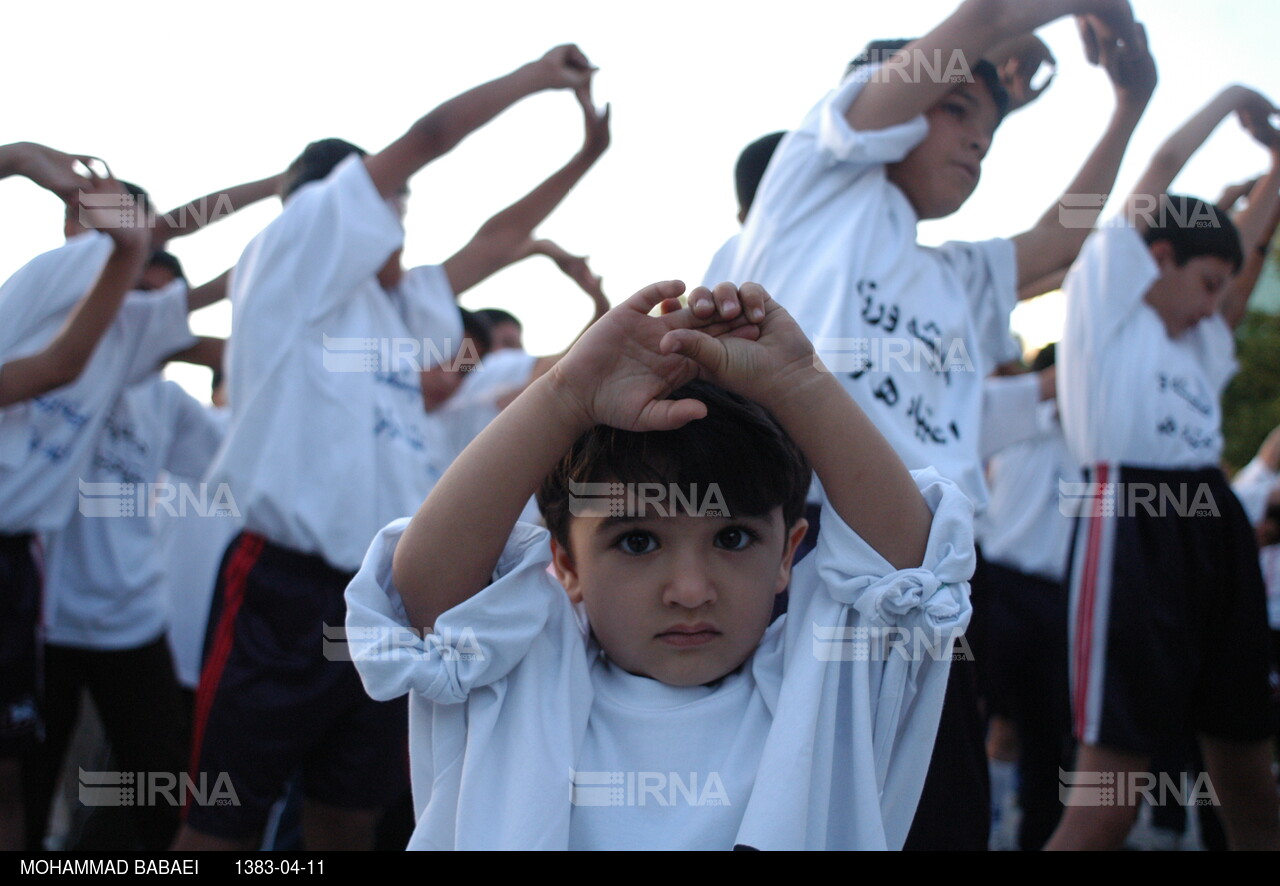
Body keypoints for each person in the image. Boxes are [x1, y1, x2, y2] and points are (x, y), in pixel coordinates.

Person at [724, 0, 1156, 848]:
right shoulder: (819, 178)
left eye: (989, 137)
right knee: (776, 816)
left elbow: (1061, 242)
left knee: (937, 822)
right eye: (956, 112)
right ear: (878, 98)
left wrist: (1129, 105)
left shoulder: (956, 276)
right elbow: (982, 17)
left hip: (936, 584)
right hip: (795, 552)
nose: (977, 144)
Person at [345, 280, 973, 850]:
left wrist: (799, 383)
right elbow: (424, 593)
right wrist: (564, 396)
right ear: (564, 562)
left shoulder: (822, 681)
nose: (691, 591)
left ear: (788, 554)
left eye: (732, 538)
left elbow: (912, 573)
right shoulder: (523, 678)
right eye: (639, 543)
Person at [180, 44, 603, 851]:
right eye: (386, 194)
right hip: (286, 590)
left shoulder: (401, 310)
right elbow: (432, 132)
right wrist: (536, 77)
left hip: (387, 598)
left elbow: (501, 235)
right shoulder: (292, 261)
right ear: (328, 207)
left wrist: (586, 151)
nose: (398, 213)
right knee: (221, 825)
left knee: (351, 820)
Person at [1050, 84, 1280, 851]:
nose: (1219, 302)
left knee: (1248, 769)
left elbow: (1240, 256)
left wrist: (1278, 165)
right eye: (1206, 284)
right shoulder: (1109, 301)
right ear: (1158, 259)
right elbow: (1163, 164)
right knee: (1109, 794)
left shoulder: (1200, 340)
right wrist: (1232, 101)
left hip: (1214, 523)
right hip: (1132, 518)